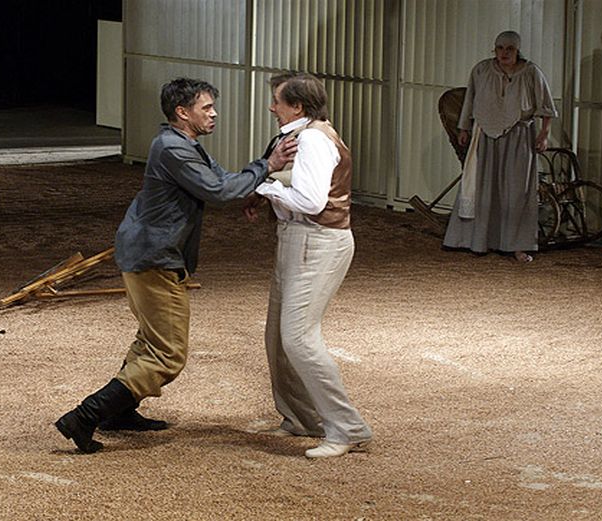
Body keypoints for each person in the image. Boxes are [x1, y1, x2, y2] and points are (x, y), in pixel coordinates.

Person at [55, 77, 297, 454]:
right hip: (154, 257)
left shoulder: (182, 143)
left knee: (150, 339)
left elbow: (223, 181)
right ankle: (85, 416)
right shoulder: (173, 148)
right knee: (167, 354)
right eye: (206, 108)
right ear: (183, 112)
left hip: (146, 252)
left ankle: (121, 412)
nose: (214, 113)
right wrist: (269, 164)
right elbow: (218, 191)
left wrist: (254, 186)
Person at [244, 72, 373, 459]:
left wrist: (264, 187)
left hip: (317, 242)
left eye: (278, 101)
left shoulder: (314, 139)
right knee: (277, 337)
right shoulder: (298, 136)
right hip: (294, 239)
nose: (272, 107)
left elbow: (312, 201)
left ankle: (346, 427)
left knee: (298, 337)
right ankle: (301, 418)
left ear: (298, 106)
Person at [443, 31, 558, 263]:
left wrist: (544, 135)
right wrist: (464, 128)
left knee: (517, 191)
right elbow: (470, 100)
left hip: (518, 135)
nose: (504, 53)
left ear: (517, 50)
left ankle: (517, 245)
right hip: (485, 134)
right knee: (482, 186)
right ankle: (477, 240)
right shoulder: (482, 70)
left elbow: (546, 106)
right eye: (500, 48)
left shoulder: (531, 72)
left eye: (509, 49)